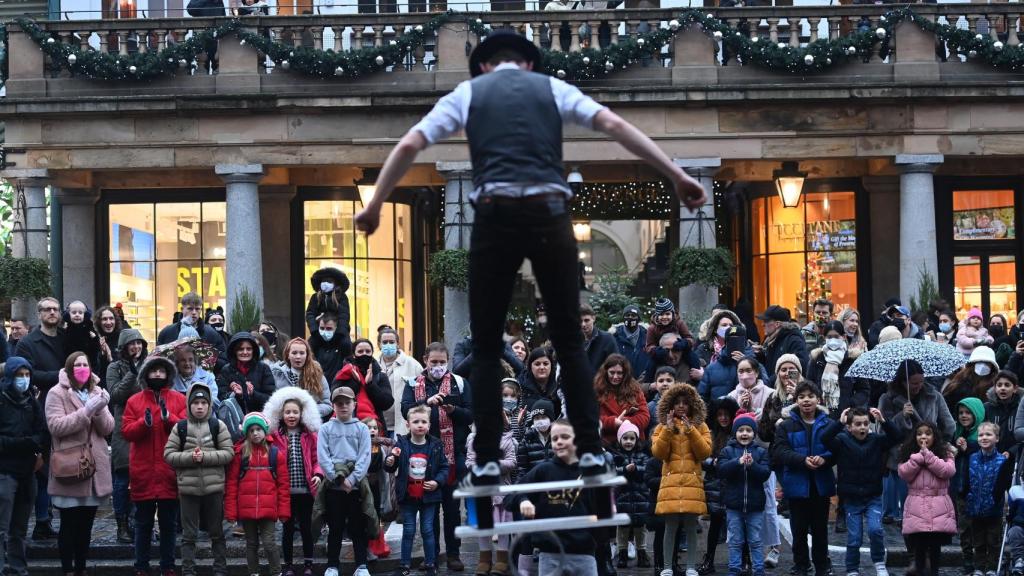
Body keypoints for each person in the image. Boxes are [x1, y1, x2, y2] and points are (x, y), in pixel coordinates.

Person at [353, 29, 706, 492]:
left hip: (496, 213)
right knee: (570, 343)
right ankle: (592, 453)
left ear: (484, 65)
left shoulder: (468, 93)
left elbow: (409, 146)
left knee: (482, 346)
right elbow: (616, 127)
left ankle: (483, 460)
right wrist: (677, 176)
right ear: (528, 65)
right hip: (549, 212)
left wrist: (376, 203)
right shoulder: (551, 88)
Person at [400, 342, 471, 572]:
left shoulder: (459, 383)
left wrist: (453, 410)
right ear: (425, 360)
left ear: (448, 361)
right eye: (434, 362)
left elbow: (470, 414)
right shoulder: (413, 384)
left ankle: (453, 554)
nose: (438, 366)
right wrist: (425, 404)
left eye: (442, 362)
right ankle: (432, 554)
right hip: (422, 453)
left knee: (451, 508)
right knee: (428, 506)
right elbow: (406, 410)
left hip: (452, 455)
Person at [505, 420, 604, 574]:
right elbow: (512, 495)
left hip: (584, 553)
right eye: (555, 438)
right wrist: (523, 500)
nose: (559, 442)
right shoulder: (543, 470)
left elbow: (601, 512)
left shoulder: (590, 473)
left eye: (565, 437)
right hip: (550, 554)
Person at [45, 351, 113, 576]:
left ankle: (81, 568)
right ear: (69, 367)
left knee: (86, 526)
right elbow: (56, 426)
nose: (82, 368)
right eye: (77, 365)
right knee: (69, 525)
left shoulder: (97, 391)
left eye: (85, 364)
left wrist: (100, 407)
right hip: (70, 466)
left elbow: (108, 428)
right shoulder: (56, 393)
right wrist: (86, 410)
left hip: (94, 468)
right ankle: (67, 569)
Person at [122, 355, 187, 576]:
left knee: (169, 525)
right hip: (144, 471)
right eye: (153, 371)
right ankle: (141, 566)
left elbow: (186, 429)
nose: (157, 375)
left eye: (161, 371)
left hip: (169, 471)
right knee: (143, 524)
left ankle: (168, 566)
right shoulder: (134, 401)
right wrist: (143, 423)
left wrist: (169, 418)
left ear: (168, 374)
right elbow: (126, 432)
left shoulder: (178, 399)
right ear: (146, 374)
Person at [821, 407, 903, 576]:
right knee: (854, 538)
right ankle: (852, 568)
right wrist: (839, 422)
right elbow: (825, 438)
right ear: (849, 427)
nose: (863, 427)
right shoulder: (842, 440)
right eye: (858, 424)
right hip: (851, 499)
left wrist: (883, 420)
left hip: (872, 496)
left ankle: (879, 562)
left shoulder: (876, 440)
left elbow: (897, 437)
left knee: (875, 530)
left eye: (866, 423)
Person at [163, 382, 234, 576]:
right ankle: (188, 570)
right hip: (188, 490)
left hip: (214, 489)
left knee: (217, 533)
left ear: (209, 404)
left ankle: (220, 569)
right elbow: (169, 455)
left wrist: (205, 457)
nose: (200, 406)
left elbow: (228, 453)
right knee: (189, 535)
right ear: (189, 405)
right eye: (196, 403)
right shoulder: (181, 427)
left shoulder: (217, 425)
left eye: (203, 402)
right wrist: (189, 458)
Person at [879, 359, 955, 525]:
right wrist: (901, 416)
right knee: (907, 505)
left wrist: (939, 443)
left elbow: (948, 424)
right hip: (902, 457)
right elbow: (882, 430)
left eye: (921, 381)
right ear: (902, 381)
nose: (918, 386)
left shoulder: (933, 396)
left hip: (930, 455)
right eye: (914, 383)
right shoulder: (888, 399)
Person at [773, 382, 836, 576]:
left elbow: (838, 449)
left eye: (810, 396)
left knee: (820, 530)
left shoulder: (829, 424)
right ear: (796, 400)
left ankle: (822, 565)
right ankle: (800, 565)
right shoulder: (786, 425)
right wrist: (802, 460)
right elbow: (780, 451)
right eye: (801, 396)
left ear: (819, 399)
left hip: (820, 485)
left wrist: (824, 459)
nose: (806, 400)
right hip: (796, 485)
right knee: (798, 530)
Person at [651, 383, 712, 576]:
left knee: (691, 526)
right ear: (669, 404)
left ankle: (691, 567)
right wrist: (668, 430)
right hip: (671, 483)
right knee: (670, 526)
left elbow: (704, 453)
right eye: (677, 402)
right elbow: (658, 453)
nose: (681, 406)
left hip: (692, 483)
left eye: (685, 403)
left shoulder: (701, 426)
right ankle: (668, 566)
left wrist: (691, 430)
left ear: (692, 404)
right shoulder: (662, 427)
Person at [263, 388, 325, 576]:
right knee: (288, 529)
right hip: (285, 491)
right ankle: (288, 564)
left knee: (306, 527)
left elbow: (317, 459)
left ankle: (308, 563)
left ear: (302, 414)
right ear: (281, 414)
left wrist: (318, 474)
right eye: (288, 412)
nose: (291, 415)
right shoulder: (275, 437)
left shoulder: (309, 435)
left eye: (295, 412)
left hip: (306, 490)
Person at [225, 412, 290, 576]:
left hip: (268, 510)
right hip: (246, 511)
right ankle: (253, 572)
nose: (255, 433)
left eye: (258, 429)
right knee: (251, 544)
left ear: (265, 431)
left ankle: (276, 572)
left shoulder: (276, 454)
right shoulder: (240, 455)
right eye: (251, 430)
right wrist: (231, 513)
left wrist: (283, 511)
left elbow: (283, 486)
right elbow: (232, 484)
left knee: (269, 543)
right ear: (246, 433)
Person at [386, 404, 447, 576]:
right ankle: (404, 564)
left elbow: (444, 467)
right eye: (416, 422)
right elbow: (391, 465)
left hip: (429, 496)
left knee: (427, 529)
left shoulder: (435, 444)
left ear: (429, 425)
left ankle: (430, 563)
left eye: (423, 422)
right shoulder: (402, 444)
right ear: (408, 424)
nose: (420, 425)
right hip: (408, 496)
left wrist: (437, 482)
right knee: (409, 530)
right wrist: (390, 461)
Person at [0, 357, 47, 576]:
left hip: (27, 471)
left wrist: (35, 446)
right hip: (5, 471)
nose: (24, 380)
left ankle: (19, 569)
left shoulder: (31, 401)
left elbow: (41, 432)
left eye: (27, 375)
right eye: (20, 375)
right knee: (2, 526)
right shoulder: (2, 400)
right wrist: (24, 443)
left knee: (19, 528)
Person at [318, 387, 372, 576]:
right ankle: (332, 565)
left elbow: (365, 456)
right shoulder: (325, 429)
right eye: (339, 403)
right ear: (333, 405)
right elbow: (323, 457)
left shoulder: (362, 428)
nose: (343, 406)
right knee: (335, 527)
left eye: (347, 403)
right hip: (334, 487)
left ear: (354, 404)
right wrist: (337, 478)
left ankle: (361, 565)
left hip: (356, 488)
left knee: (358, 527)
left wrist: (353, 478)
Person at [898, 421, 957, 576]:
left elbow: (947, 471)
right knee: (919, 546)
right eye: (919, 433)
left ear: (934, 436)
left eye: (928, 433)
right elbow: (904, 473)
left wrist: (929, 456)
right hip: (917, 506)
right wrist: (918, 457)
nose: (923, 436)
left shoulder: (946, 453)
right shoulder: (908, 453)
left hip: (938, 506)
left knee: (935, 547)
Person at [106, 328, 147, 544]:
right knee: (122, 479)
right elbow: (115, 395)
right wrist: (132, 372)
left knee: (143, 479)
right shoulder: (115, 367)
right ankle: (122, 524)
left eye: (139, 343)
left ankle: (139, 523)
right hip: (124, 428)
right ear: (124, 347)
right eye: (132, 344)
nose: (136, 347)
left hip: (146, 427)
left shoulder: (149, 365)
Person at [716, 412, 771, 576]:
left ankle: (758, 570)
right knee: (735, 541)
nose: (745, 433)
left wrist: (752, 465)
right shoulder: (727, 451)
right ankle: (734, 569)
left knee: (755, 540)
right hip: (734, 505)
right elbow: (722, 470)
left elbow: (765, 473)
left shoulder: (760, 452)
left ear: (754, 433)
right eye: (741, 430)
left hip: (755, 505)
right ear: (735, 433)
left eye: (748, 430)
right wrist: (738, 462)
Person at [465, 411, 517, 576]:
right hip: (481, 490)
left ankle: (502, 558)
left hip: (501, 489)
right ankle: (484, 559)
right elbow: (470, 462)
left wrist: (494, 464)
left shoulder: (507, 440)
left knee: (503, 526)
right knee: (482, 526)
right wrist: (480, 467)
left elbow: (512, 462)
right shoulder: (474, 440)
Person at [963, 422, 1014, 576]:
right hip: (975, 507)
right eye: (981, 435)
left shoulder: (1002, 461)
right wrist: (968, 496)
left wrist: (999, 501)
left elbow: (1003, 484)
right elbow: (966, 480)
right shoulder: (972, 458)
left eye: (988, 434)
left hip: (994, 508)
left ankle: (991, 568)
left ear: (997, 438)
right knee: (978, 541)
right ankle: (979, 568)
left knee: (993, 541)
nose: (984, 437)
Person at [698, 396, 740, 576]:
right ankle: (709, 558)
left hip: (733, 482)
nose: (723, 418)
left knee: (739, 524)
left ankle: (743, 559)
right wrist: (712, 462)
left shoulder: (737, 433)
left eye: (726, 415)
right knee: (715, 523)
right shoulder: (711, 434)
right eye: (720, 414)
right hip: (714, 483)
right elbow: (700, 457)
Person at [807, 320, 869, 421]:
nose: (833, 340)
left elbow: (863, 390)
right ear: (824, 338)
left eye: (836, 336)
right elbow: (809, 386)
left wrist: (850, 404)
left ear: (843, 337)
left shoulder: (852, 360)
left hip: (846, 417)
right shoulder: (816, 360)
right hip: (820, 416)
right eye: (829, 337)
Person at [610, 420, 651, 569]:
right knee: (623, 529)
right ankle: (622, 554)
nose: (628, 441)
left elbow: (647, 470)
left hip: (640, 497)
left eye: (632, 438)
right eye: (625, 438)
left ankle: (642, 553)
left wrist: (637, 469)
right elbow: (613, 473)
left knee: (641, 528)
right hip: (623, 497)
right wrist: (625, 470)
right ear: (620, 439)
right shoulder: (615, 456)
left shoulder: (642, 455)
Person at [952, 396, 985, 575]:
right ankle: (967, 559)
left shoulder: (982, 434)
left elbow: (984, 453)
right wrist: (954, 447)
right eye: (961, 413)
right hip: (961, 488)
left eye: (968, 412)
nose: (964, 416)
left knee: (979, 527)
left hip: (979, 490)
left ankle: (981, 560)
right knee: (964, 527)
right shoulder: (957, 432)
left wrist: (968, 448)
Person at [156, 292, 227, 372]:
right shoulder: (167, 332)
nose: (194, 312)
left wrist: (206, 356)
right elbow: (157, 359)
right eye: (190, 308)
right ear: (182, 309)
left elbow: (223, 361)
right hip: (174, 380)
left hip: (203, 380)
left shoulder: (211, 334)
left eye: (197, 309)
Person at [336, 339, 395, 434]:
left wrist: (370, 384)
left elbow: (387, 403)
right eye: (360, 351)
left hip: (374, 428)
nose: (364, 354)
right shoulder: (343, 373)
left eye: (368, 351)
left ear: (372, 353)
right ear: (354, 355)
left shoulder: (380, 375)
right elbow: (334, 398)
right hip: (347, 428)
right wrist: (355, 382)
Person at [595, 354, 650, 446]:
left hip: (634, 443)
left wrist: (626, 422)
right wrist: (613, 422)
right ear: (606, 372)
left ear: (625, 373)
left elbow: (645, 417)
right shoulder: (596, 390)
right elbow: (592, 418)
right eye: (612, 372)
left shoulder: (635, 389)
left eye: (619, 373)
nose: (615, 377)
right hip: (608, 443)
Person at [271, 337, 332, 421]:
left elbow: (327, 405)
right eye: (294, 353)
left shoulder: (318, 375)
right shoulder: (277, 374)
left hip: (310, 425)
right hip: (283, 425)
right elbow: (271, 403)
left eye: (302, 353)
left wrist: (306, 412)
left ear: (307, 355)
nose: (298, 356)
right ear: (288, 355)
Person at [377, 327, 423, 436]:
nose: (388, 345)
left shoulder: (413, 365)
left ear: (398, 344)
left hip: (403, 425)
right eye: (385, 342)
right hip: (379, 426)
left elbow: (421, 392)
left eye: (391, 342)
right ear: (379, 344)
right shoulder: (373, 365)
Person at [217, 332, 276, 413]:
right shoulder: (226, 370)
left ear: (253, 350)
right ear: (234, 351)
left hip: (260, 418)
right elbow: (221, 397)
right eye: (240, 349)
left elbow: (271, 398)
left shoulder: (263, 368)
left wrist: (253, 394)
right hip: (235, 419)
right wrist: (236, 395)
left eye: (249, 349)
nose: (245, 352)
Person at [753, 305, 808, 382]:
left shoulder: (794, 340)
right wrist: (760, 356)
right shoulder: (770, 340)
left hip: (787, 390)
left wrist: (774, 381)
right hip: (773, 390)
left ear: (777, 324)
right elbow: (771, 366)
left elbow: (801, 368)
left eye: (766, 321)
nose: (762, 324)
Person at [305, 267, 352, 350]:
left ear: (335, 284)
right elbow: (310, 314)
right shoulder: (315, 297)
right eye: (323, 281)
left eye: (329, 281)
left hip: (337, 331)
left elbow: (344, 315)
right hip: (320, 330)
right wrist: (315, 331)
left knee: (346, 345)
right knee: (309, 347)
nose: (325, 283)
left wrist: (339, 333)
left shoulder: (342, 297)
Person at [985, 370, 1021, 455]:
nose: (1003, 388)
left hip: (1015, 457)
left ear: (1015, 389)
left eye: (1007, 385)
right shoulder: (987, 408)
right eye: (999, 385)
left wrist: (1011, 451)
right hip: (991, 455)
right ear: (995, 388)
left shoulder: (1020, 408)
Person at [516, 400, 555, 477]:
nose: (540, 421)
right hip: (536, 485)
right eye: (537, 418)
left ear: (551, 419)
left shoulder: (557, 438)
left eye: (544, 417)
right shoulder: (527, 440)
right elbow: (522, 471)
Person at [613, 304, 651, 382]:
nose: (630, 318)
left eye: (633, 315)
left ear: (639, 319)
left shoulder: (648, 335)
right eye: (627, 315)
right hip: (620, 382)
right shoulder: (614, 336)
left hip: (644, 382)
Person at [518, 347, 560, 415]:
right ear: (530, 367)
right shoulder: (520, 388)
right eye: (537, 364)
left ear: (551, 366)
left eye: (545, 364)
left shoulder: (560, 387)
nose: (542, 367)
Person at [62, 301, 101, 371]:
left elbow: (96, 348)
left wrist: (94, 338)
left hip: (89, 365)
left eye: (80, 313)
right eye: (74, 313)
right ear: (68, 315)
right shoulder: (66, 330)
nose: (77, 315)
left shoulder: (89, 329)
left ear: (85, 315)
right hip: (70, 366)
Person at [310, 313, 348, 384]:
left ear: (336, 328)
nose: (324, 331)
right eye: (322, 328)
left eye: (329, 328)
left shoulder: (343, 344)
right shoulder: (314, 344)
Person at [581, 304, 617, 372]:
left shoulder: (607, 339)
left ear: (593, 318)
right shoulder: (575, 342)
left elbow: (616, 366)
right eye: (580, 321)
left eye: (586, 320)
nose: (583, 324)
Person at [93, 305, 122, 388]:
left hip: (117, 387)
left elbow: (123, 370)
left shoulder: (121, 339)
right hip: (99, 388)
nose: (109, 322)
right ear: (99, 322)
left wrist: (109, 357)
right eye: (104, 319)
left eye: (111, 318)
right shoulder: (94, 339)